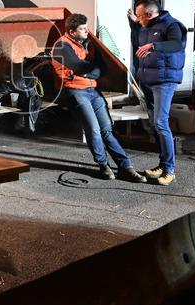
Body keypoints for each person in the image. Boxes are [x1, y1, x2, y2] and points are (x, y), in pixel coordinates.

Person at [52, 13, 146, 182]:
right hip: (76, 92)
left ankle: (126, 167)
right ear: (72, 32)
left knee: (106, 130)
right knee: (93, 130)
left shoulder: (87, 43)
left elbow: (102, 67)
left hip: (93, 91)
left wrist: (93, 71)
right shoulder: (61, 46)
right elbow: (79, 67)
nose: (87, 31)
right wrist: (92, 70)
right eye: (82, 29)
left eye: (86, 27)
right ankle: (104, 166)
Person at [134, 0, 186, 186]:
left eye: (140, 17)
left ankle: (170, 170)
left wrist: (154, 46)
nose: (138, 20)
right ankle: (162, 164)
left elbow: (176, 45)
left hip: (164, 81)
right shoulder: (145, 27)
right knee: (154, 124)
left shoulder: (171, 25)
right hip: (148, 80)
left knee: (161, 123)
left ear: (149, 14)